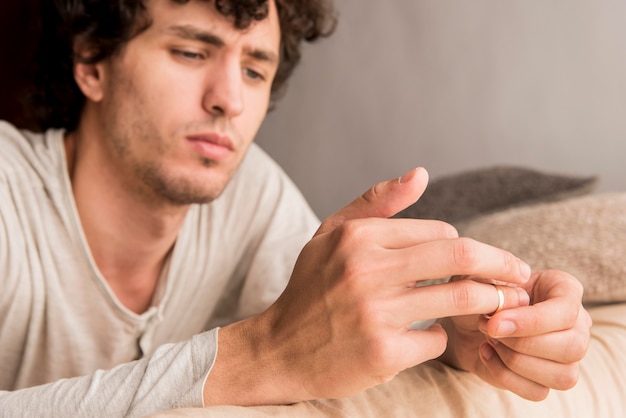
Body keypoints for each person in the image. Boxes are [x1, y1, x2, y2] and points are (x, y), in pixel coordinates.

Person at [0, 0, 592, 416]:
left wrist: (466, 335)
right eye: (188, 52)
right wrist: (258, 356)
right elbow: (286, 345)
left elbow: (336, 335)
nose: (229, 99)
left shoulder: (250, 192)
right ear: (91, 64)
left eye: (255, 69)